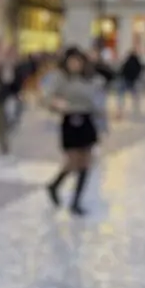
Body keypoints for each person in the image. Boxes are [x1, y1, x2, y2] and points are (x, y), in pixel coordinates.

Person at [44, 46, 102, 216]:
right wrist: (56, 104)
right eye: (72, 61)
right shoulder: (60, 78)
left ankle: (76, 201)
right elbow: (47, 97)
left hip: (87, 120)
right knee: (73, 160)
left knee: (86, 161)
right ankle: (54, 185)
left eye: (78, 61)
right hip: (70, 120)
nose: (75, 64)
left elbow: (96, 99)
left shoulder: (90, 78)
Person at [117, 48, 143, 119]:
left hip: (125, 80)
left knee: (121, 96)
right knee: (135, 97)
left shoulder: (127, 62)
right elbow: (139, 71)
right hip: (133, 81)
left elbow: (122, 71)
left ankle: (120, 110)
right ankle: (136, 110)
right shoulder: (137, 62)